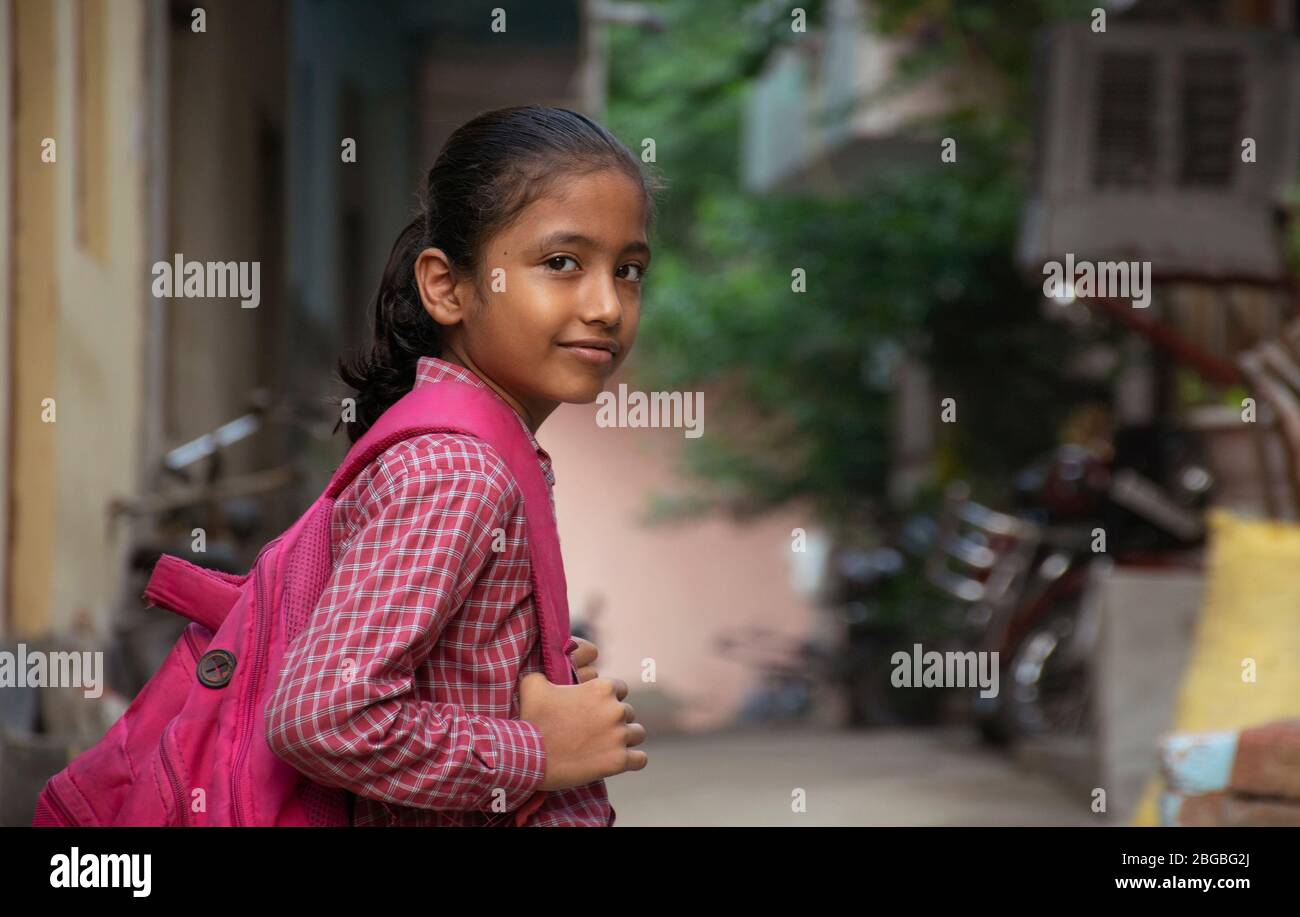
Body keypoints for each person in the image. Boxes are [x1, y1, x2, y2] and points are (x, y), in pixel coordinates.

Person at [265, 106, 657, 826]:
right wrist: (535, 750)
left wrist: (516, 669)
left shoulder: (490, 452)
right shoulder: (457, 470)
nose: (607, 306)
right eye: (562, 263)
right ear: (446, 286)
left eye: (628, 270)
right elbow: (320, 715)